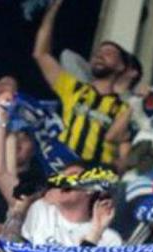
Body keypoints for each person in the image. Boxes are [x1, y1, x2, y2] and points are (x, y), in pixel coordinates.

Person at [33, 0, 128, 166]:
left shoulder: (124, 107)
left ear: (121, 66)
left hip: (98, 177)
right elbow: (41, 54)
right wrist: (52, 11)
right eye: (98, 52)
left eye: (108, 53)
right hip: (62, 169)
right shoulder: (74, 88)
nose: (100, 55)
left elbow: (124, 150)